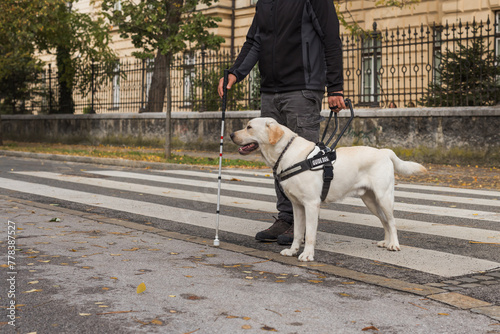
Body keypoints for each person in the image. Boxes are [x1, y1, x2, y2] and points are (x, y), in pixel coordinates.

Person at [218, 0, 346, 245]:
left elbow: (331, 38)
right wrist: (236, 72)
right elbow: (255, 40)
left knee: (304, 159)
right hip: (270, 90)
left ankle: (304, 223)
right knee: (277, 157)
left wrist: (336, 87)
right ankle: (286, 218)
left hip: (303, 88)